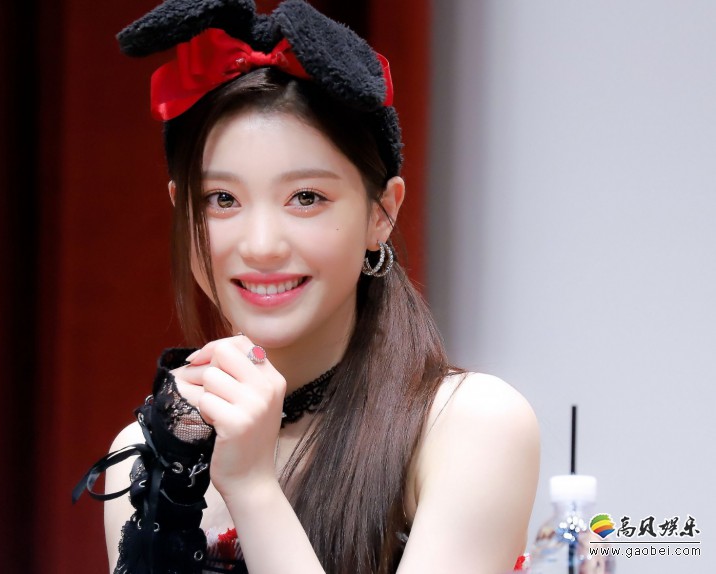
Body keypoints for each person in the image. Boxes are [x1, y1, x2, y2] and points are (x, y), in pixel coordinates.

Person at [75, 1, 540, 573]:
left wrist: (253, 489)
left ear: (382, 212)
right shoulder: (147, 459)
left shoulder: (470, 425)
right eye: (222, 199)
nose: (261, 245)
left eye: (306, 198)